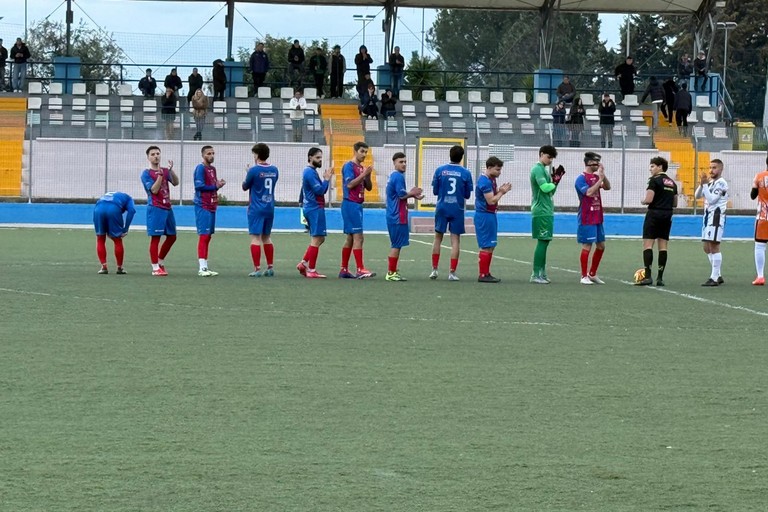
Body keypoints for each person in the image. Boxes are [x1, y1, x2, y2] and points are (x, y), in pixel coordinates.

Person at [429, 145, 473, 281]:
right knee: (455, 241)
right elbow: (467, 195)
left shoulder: (440, 170)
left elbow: (435, 191)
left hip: (442, 207)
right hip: (457, 209)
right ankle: (452, 273)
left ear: (450, 155)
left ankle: (434, 270)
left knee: (438, 238)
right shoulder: (466, 173)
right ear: (462, 157)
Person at [636, 156, 678, 286]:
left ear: (660, 167)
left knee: (648, 244)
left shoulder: (654, 180)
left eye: (653, 166)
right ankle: (660, 277)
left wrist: (643, 201)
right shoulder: (672, 183)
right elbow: (675, 203)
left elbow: (649, 199)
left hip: (654, 213)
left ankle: (648, 276)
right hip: (667, 214)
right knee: (663, 246)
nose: (650, 169)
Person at [140, 146, 179, 276]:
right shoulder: (146, 173)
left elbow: (176, 182)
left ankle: (160, 261)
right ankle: (155, 267)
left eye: (158, 153)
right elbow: (154, 190)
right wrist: (159, 177)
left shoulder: (165, 171)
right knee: (155, 238)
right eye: (153, 154)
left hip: (167, 207)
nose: (156, 156)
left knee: (172, 237)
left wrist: (171, 170)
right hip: (155, 208)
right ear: (148, 157)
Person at [339, 141, 376, 279]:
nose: (364, 154)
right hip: (350, 204)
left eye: (366, 152)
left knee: (350, 238)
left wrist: (367, 176)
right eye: (362, 151)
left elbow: (369, 187)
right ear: (355, 151)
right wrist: (362, 175)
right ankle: (360, 269)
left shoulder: (362, 168)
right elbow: (349, 184)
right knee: (359, 237)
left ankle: (343, 269)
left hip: (357, 205)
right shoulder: (349, 166)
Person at [385, 152, 423, 281]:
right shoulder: (398, 177)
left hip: (394, 215)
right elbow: (401, 195)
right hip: (397, 216)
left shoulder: (393, 176)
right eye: (401, 162)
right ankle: (391, 273)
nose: (404, 164)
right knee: (396, 244)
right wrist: (412, 193)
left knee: (397, 244)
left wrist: (412, 194)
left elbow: (399, 195)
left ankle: (393, 270)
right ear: (394, 163)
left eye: (405, 162)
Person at [297, 147, 334, 278]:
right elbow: (320, 191)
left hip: (312, 207)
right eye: (317, 158)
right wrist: (327, 179)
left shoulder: (310, 171)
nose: (320, 160)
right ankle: (311, 269)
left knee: (320, 238)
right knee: (317, 238)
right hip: (314, 208)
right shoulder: (309, 173)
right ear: (310, 157)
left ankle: (304, 263)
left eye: (321, 158)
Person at [243, 143, 279, 277]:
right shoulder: (275, 169)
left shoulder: (253, 170)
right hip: (269, 207)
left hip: (256, 208)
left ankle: (257, 269)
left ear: (257, 155)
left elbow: (245, 186)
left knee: (255, 238)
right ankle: (270, 267)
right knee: (267, 237)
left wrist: (248, 174)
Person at [474, 156, 512, 283]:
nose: (499, 172)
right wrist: (502, 192)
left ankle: (486, 272)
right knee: (486, 245)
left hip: (490, 214)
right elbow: (491, 200)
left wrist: (499, 190)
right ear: (489, 168)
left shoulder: (491, 179)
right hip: (484, 215)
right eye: (497, 170)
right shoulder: (484, 181)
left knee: (491, 245)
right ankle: (483, 274)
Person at [575, 152, 610, 285]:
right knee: (587, 245)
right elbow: (589, 192)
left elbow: (607, 187)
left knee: (601, 246)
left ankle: (593, 273)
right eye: (596, 162)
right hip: (587, 217)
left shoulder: (597, 177)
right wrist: (599, 180)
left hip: (597, 216)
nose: (598, 164)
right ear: (589, 163)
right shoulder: (581, 179)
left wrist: (602, 176)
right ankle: (584, 276)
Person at [529, 145, 563, 284]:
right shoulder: (537, 169)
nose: (550, 160)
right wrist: (554, 182)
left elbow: (550, 192)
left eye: (552, 158)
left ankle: (541, 273)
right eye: (548, 157)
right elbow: (544, 188)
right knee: (542, 241)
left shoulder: (544, 170)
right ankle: (535, 274)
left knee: (545, 241)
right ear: (541, 154)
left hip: (547, 209)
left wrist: (556, 182)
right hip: (541, 210)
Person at [193, 145, 226, 277]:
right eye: (208, 153)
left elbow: (213, 187)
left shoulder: (213, 169)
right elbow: (199, 186)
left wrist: (218, 185)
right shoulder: (200, 168)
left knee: (209, 236)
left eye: (212, 153)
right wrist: (214, 186)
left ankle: (205, 266)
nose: (211, 156)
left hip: (212, 205)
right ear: (203, 155)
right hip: (203, 205)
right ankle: (202, 267)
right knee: (204, 235)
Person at [695, 159, 728, 286]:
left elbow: (712, 200)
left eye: (714, 168)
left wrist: (704, 185)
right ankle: (718, 275)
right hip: (707, 217)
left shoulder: (721, 183)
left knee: (714, 246)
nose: (711, 170)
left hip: (716, 217)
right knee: (706, 247)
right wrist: (701, 184)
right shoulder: (711, 182)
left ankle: (714, 278)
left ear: (720, 169)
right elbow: (697, 196)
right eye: (710, 167)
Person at [93, 191, 136, 275]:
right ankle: (119, 268)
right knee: (117, 240)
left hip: (98, 209)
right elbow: (132, 211)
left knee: (100, 239)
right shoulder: (129, 199)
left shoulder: (110, 194)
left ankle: (104, 267)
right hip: (114, 209)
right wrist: (125, 229)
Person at [749, 157, 768, 285]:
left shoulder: (759, 176)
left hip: (763, 216)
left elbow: (752, 196)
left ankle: (760, 276)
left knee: (760, 246)